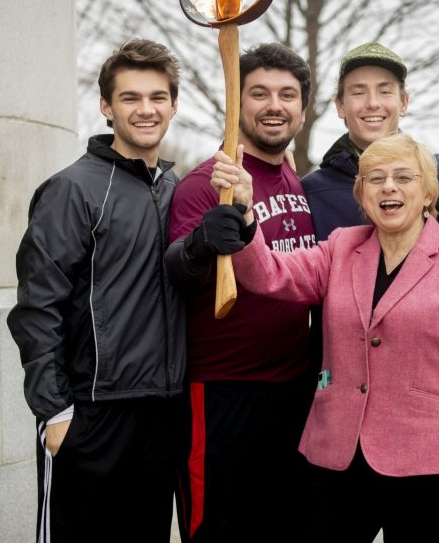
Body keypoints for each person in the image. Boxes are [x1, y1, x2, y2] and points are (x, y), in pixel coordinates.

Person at [197, 133, 439, 543]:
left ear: (429, 191)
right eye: (375, 179)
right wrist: (245, 215)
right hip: (337, 457)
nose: (389, 187)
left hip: (429, 466)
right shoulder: (343, 246)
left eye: (403, 177)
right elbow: (269, 275)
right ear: (360, 192)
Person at [7, 39, 184, 543]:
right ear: (107, 106)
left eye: (157, 97)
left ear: (174, 104)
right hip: (90, 414)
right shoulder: (73, 189)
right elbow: (36, 308)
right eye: (130, 98)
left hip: (161, 414)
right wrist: (56, 413)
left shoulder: (177, 191)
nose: (145, 109)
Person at [164, 43, 317, 541]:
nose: (274, 105)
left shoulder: (292, 176)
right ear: (238, 101)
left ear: (302, 106)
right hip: (224, 393)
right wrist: (202, 245)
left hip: (293, 393)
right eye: (260, 93)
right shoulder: (209, 183)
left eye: (287, 94)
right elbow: (180, 272)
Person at [301, 42, 439, 240]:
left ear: (404, 102)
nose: (373, 103)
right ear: (340, 105)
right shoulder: (311, 191)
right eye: (358, 92)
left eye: (385, 91)